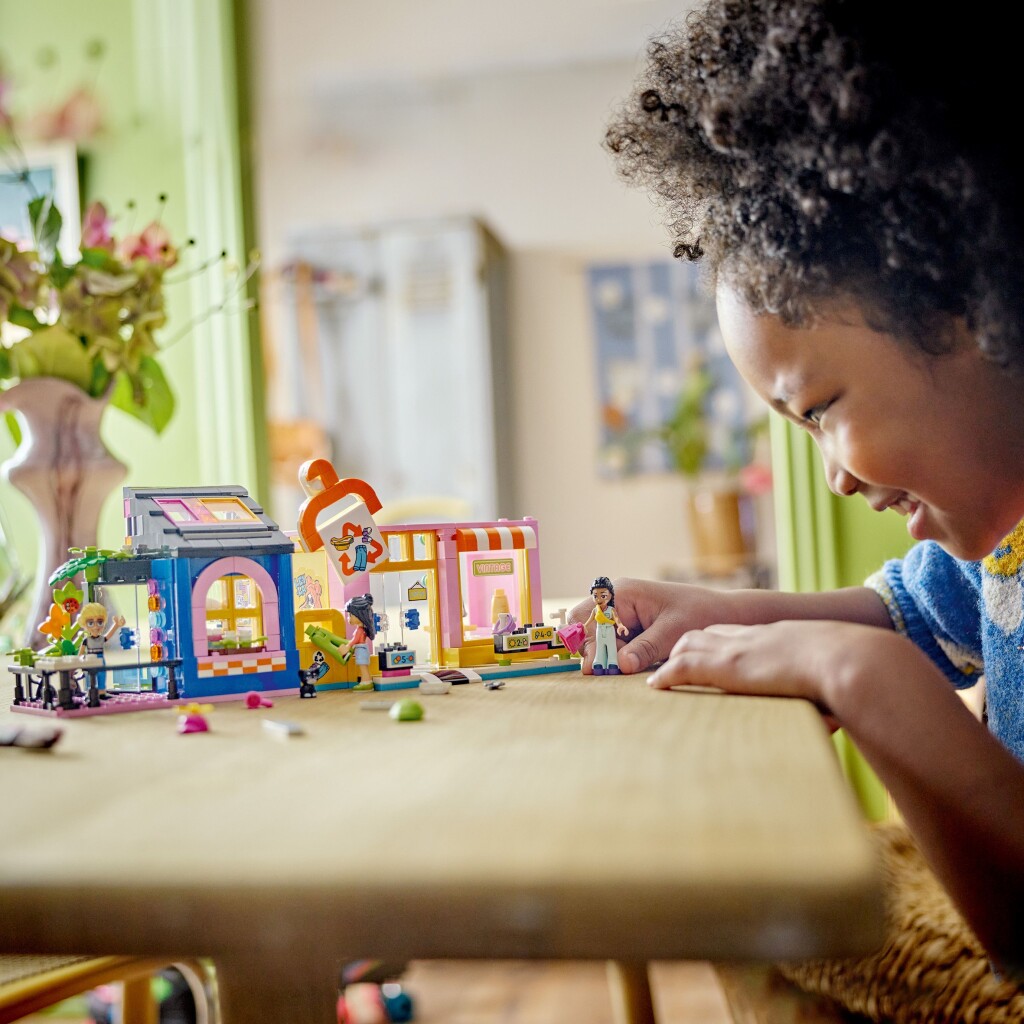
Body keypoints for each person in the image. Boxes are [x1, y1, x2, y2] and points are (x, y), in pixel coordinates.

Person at [571, 0, 1024, 983]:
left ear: (970, 306)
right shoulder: (1003, 547)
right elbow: (909, 613)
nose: (834, 475)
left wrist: (864, 678)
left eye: (820, 408)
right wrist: (724, 612)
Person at [585, 576, 630, 675]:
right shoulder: (595, 610)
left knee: (611, 647)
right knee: (599, 647)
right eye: (595, 596)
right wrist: (584, 626)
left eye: (603, 596)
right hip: (599, 630)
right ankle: (599, 661)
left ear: (610, 595)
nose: (599, 599)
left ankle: (613, 662)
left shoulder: (611, 610)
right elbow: (590, 619)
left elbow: (617, 619)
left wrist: (620, 626)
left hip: (609, 630)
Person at [343, 594, 376, 691]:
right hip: (361, 650)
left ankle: (366, 682)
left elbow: (355, 640)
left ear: (359, 615)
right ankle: (366, 681)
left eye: (350, 615)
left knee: (363, 667)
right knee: (363, 666)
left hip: (361, 650)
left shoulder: (360, 630)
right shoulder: (361, 629)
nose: (348, 618)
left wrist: (348, 646)